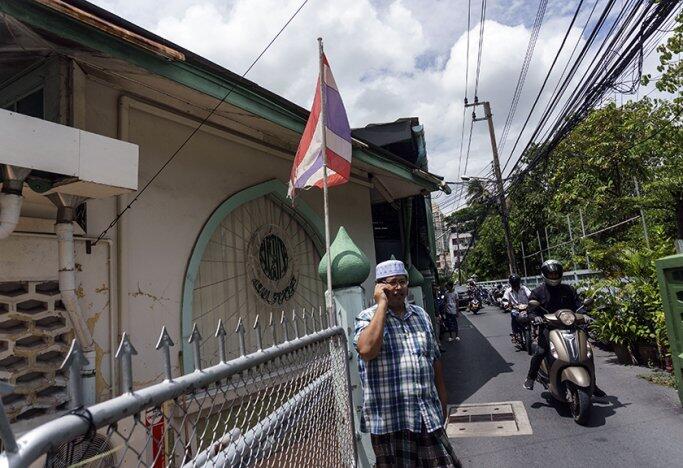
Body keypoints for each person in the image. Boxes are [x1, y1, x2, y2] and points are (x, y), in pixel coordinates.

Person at [354, 260, 461, 467]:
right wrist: (382, 306)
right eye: (392, 283)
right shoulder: (367, 318)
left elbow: (434, 358)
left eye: (402, 282)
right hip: (389, 421)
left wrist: (442, 398)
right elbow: (367, 351)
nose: (398, 288)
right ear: (380, 287)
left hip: (425, 414)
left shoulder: (421, 315)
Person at [523, 260, 607, 398]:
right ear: (544, 274)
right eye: (551, 274)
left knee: (587, 353)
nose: (554, 276)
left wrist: (585, 314)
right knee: (540, 352)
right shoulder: (538, 292)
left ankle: (593, 384)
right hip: (549, 328)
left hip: (572, 327)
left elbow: (579, 305)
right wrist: (535, 317)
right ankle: (530, 378)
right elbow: (531, 309)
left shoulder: (569, 290)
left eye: (556, 273)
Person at [504, 274, 531, 341]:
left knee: (534, 317)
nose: (516, 286)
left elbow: (530, 295)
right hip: (515, 309)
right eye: (514, 284)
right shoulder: (508, 291)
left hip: (526, 308)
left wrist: (532, 301)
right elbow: (505, 298)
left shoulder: (524, 288)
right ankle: (515, 332)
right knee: (513, 316)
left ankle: (535, 331)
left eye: (516, 284)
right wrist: (506, 304)